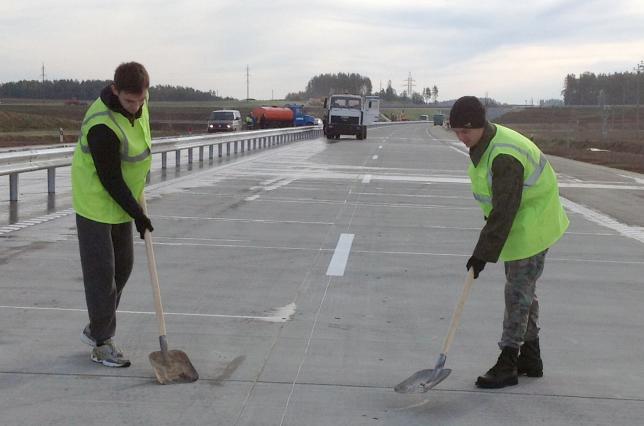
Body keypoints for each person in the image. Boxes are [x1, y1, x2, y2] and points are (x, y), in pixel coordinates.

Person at [449, 96, 569, 389]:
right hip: (522, 223)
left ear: (480, 126)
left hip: (533, 223)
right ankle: (530, 356)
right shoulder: (486, 145)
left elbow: (504, 210)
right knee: (524, 290)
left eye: (466, 131)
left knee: (517, 292)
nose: (461, 137)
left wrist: (482, 254)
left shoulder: (503, 155)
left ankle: (508, 361)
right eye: (457, 131)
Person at [71, 62, 154, 368]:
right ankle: (102, 343)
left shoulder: (141, 104)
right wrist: (138, 215)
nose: (135, 108)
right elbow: (110, 178)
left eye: (140, 100)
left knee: (124, 268)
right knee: (101, 275)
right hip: (95, 201)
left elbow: (138, 146)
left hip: (124, 200)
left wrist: (138, 198)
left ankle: (96, 326)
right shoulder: (101, 124)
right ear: (115, 90)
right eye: (129, 101)